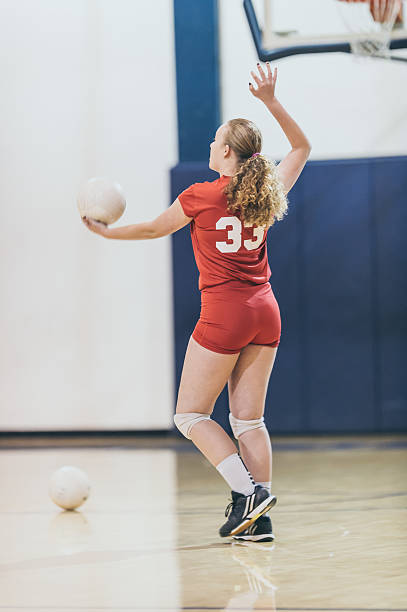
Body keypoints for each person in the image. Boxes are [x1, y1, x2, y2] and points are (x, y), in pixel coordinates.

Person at [82, 62, 311, 541]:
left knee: (189, 415)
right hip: (265, 312)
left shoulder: (200, 195)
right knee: (249, 419)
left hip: (225, 314)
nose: (210, 145)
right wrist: (271, 103)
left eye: (214, 139)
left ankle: (246, 494)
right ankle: (258, 518)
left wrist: (106, 233)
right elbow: (302, 147)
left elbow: (150, 229)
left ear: (226, 151)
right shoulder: (267, 194)